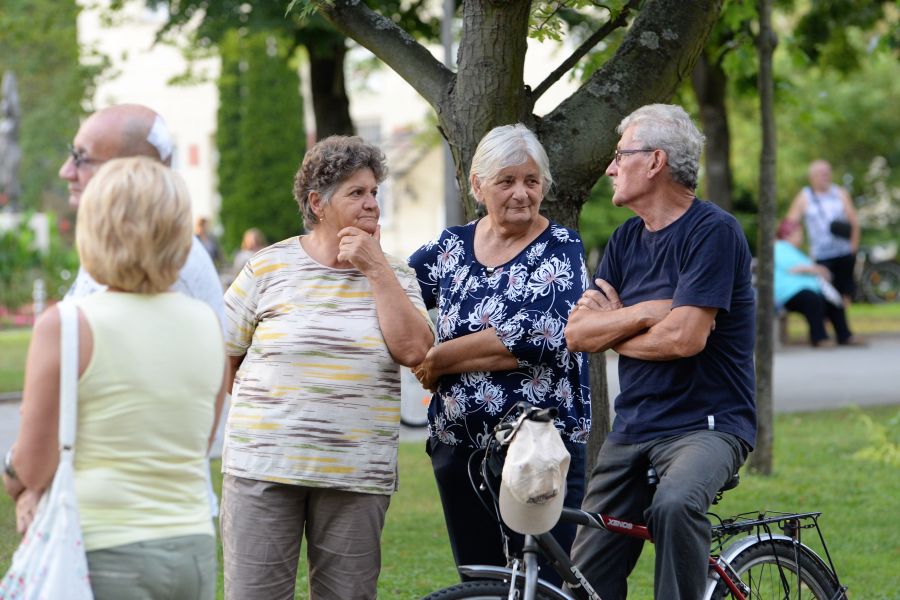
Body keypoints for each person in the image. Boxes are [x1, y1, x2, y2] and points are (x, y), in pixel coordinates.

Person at [3, 157, 227, 599]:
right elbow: (198, 442)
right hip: (191, 545)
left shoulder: (68, 325)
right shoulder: (206, 322)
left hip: (101, 549)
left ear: (96, 229)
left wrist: (14, 478)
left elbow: (32, 462)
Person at [220, 135, 434, 600]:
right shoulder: (267, 268)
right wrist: (276, 419)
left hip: (356, 476)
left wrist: (375, 269)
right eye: (356, 193)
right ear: (317, 202)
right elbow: (225, 354)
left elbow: (416, 350)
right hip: (264, 469)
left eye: (374, 191)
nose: (372, 203)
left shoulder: (396, 276)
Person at [564, 104, 756, 600]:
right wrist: (647, 311)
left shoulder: (713, 232)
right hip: (633, 428)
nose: (610, 167)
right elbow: (578, 335)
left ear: (655, 162)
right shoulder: (626, 239)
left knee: (674, 505)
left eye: (619, 155)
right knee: (582, 578)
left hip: (706, 426)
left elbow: (685, 339)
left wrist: (614, 329)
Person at [408, 124, 591, 585]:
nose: (521, 193)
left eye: (531, 181)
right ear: (477, 185)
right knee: (481, 584)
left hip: (541, 449)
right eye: (506, 181)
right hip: (459, 449)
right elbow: (399, 296)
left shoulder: (560, 248)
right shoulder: (450, 248)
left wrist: (439, 359)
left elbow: (541, 337)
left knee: (539, 585)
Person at [60, 104, 224, 324]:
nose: (66, 171)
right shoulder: (123, 242)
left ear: (132, 173)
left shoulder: (157, 261)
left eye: (81, 157)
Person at [775, 219, 862, 347]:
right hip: (788, 293)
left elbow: (807, 267)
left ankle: (845, 335)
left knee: (833, 301)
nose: (801, 237)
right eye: (798, 233)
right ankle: (819, 338)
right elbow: (795, 268)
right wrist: (817, 269)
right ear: (788, 234)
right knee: (812, 300)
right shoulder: (779, 247)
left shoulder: (794, 251)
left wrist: (817, 270)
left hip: (807, 290)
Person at [786, 159, 860, 303]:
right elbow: (790, 224)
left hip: (843, 252)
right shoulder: (804, 196)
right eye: (821, 174)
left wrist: (853, 249)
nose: (825, 177)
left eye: (827, 173)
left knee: (845, 293)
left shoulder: (840, 193)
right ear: (812, 177)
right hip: (821, 254)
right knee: (825, 293)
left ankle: (841, 323)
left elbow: (854, 222)